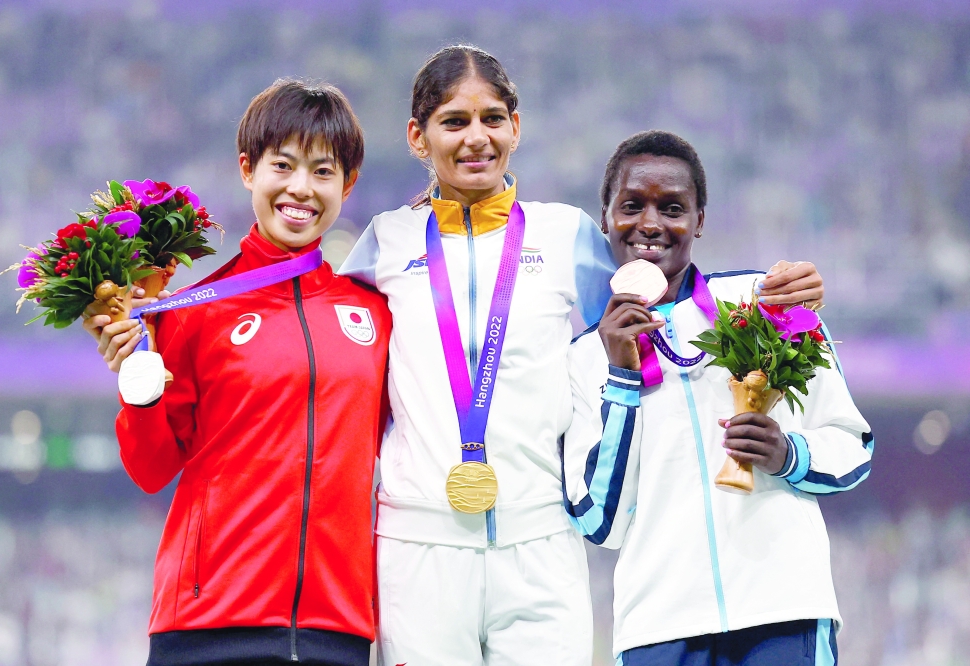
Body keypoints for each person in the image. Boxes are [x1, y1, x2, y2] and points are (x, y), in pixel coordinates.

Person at [340, 45, 826, 665]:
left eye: (492, 118)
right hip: (418, 541)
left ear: (516, 126)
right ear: (418, 135)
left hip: (541, 541)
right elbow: (333, 347)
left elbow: (666, 308)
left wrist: (769, 293)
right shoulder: (386, 242)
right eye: (454, 121)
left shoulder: (563, 232)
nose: (476, 138)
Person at [82, 79, 390, 666]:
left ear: (347, 185)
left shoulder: (375, 312)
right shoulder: (193, 311)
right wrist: (135, 379)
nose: (301, 188)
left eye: (322, 172)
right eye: (284, 165)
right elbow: (151, 470)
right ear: (248, 169)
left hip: (338, 628)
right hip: (207, 625)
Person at [563, 130, 873, 665]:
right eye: (632, 205)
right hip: (657, 629)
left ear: (700, 220)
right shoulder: (581, 359)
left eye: (673, 207)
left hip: (783, 610)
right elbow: (599, 523)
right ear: (606, 218)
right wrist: (621, 376)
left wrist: (788, 454)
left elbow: (855, 447)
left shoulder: (766, 304)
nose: (651, 224)